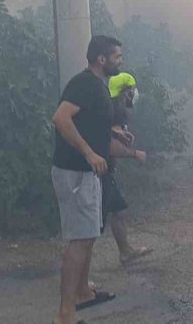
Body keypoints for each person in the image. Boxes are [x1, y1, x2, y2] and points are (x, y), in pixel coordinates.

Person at [51, 36, 122, 324]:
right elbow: (61, 118)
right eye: (117, 56)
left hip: (88, 172)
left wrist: (115, 133)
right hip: (76, 172)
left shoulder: (96, 86)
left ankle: (82, 293)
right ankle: (65, 313)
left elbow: (89, 120)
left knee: (89, 234)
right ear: (101, 59)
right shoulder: (84, 83)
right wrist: (90, 152)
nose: (121, 60)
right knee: (80, 239)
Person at [102, 72, 153, 265]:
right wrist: (134, 154)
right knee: (93, 226)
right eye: (132, 88)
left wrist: (122, 135)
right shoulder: (113, 110)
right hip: (99, 172)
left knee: (118, 211)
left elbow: (113, 135)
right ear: (125, 92)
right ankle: (80, 276)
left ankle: (125, 251)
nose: (135, 92)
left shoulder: (115, 109)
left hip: (105, 171)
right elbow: (107, 144)